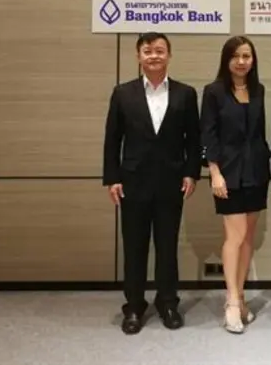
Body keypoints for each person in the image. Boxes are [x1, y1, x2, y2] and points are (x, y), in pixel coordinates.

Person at [102, 32, 201, 335]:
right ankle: (134, 306)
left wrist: (191, 172)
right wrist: (112, 178)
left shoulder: (185, 94)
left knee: (167, 247)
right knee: (134, 247)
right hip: (132, 182)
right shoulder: (123, 93)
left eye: (159, 50)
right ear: (138, 56)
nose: (154, 56)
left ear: (169, 55)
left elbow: (194, 139)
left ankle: (168, 303)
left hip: (171, 182)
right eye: (148, 51)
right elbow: (112, 139)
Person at [200, 35, 271, 334]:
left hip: (256, 171)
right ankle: (230, 301)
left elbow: (258, 133)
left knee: (248, 237)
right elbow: (208, 134)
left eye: (247, 56)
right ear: (226, 59)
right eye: (236, 56)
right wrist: (214, 171)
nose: (241, 62)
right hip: (227, 173)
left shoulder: (258, 90)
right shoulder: (214, 91)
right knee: (235, 236)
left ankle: (240, 296)